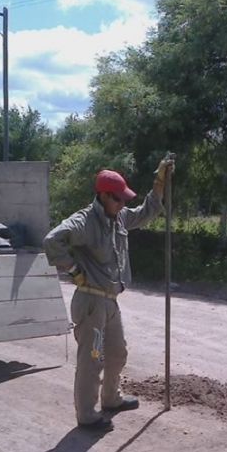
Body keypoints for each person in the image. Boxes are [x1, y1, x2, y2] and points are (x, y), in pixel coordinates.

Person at [44, 159, 174, 431]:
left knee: (117, 354)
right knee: (92, 360)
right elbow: (52, 241)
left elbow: (147, 212)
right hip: (90, 301)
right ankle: (87, 416)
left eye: (124, 199)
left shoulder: (120, 218)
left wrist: (159, 183)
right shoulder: (84, 221)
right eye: (117, 199)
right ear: (103, 196)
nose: (122, 205)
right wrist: (74, 270)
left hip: (111, 301)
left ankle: (111, 398)